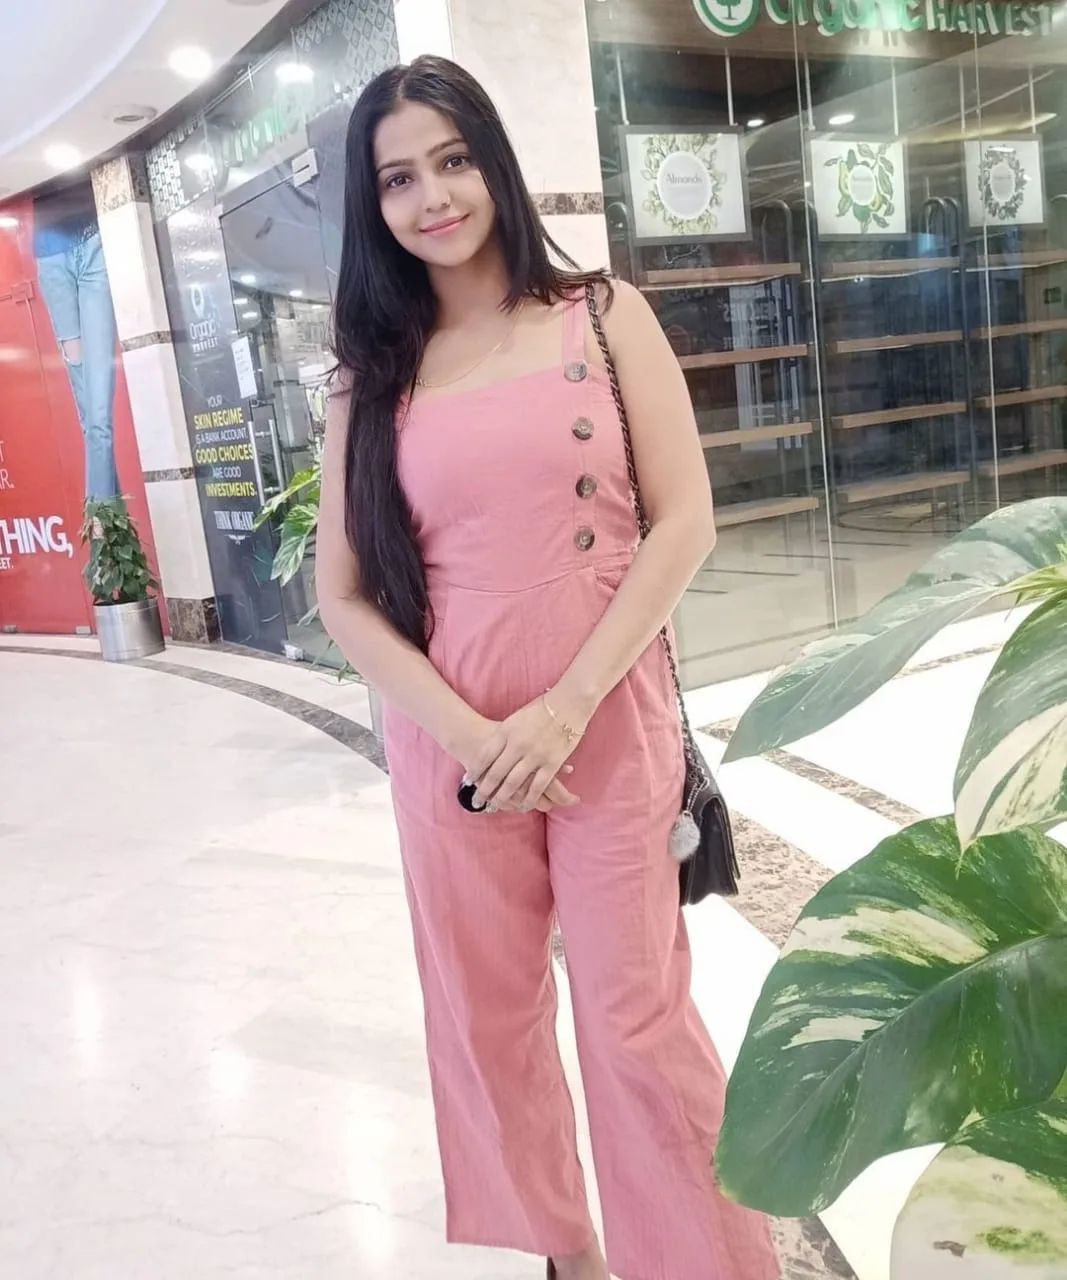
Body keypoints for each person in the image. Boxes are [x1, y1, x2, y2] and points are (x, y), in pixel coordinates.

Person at [317, 55, 779, 1280]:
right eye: (397, 177)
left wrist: (564, 708)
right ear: (372, 204)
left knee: (635, 1018)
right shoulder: (370, 376)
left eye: (452, 160)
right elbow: (342, 595)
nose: (432, 196)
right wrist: (474, 736)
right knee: (486, 1015)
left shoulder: (600, 313)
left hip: (604, 721)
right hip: (452, 744)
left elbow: (683, 521)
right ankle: (567, 1255)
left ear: (495, 164)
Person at [34, 184, 120, 502]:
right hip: (51, 260)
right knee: (90, 418)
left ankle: (99, 520)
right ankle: (112, 522)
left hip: (93, 246)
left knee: (98, 416)